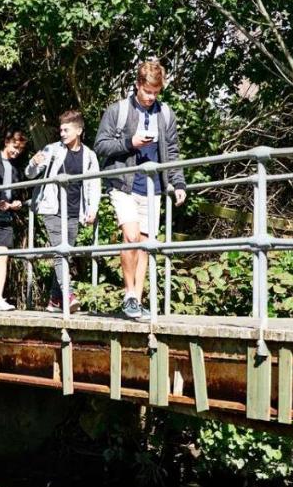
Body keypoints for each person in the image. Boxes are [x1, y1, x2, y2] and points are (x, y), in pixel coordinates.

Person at [93, 60, 187, 320]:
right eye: (147, 92)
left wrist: (178, 183)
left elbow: (173, 152)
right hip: (124, 183)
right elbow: (100, 145)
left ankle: (137, 298)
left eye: (156, 93)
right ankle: (129, 295)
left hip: (154, 186)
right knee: (131, 237)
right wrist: (129, 143)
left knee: (145, 244)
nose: (151, 97)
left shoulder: (165, 114)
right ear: (137, 85)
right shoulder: (119, 110)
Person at [26, 110, 100, 312]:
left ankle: (54, 301)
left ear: (79, 130)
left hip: (75, 210)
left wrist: (92, 208)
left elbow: (94, 183)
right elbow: (31, 173)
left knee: (65, 254)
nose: (62, 133)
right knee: (61, 252)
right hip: (52, 208)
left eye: (66, 130)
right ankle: (68, 296)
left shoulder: (89, 156)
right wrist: (34, 163)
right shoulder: (52, 150)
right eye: (61, 130)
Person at [0, 128, 28, 311]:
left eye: (19, 149)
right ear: (7, 142)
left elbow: (15, 191)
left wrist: (16, 202)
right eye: (14, 146)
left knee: (3, 255)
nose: (16, 151)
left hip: (6, 215)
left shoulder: (15, 167)